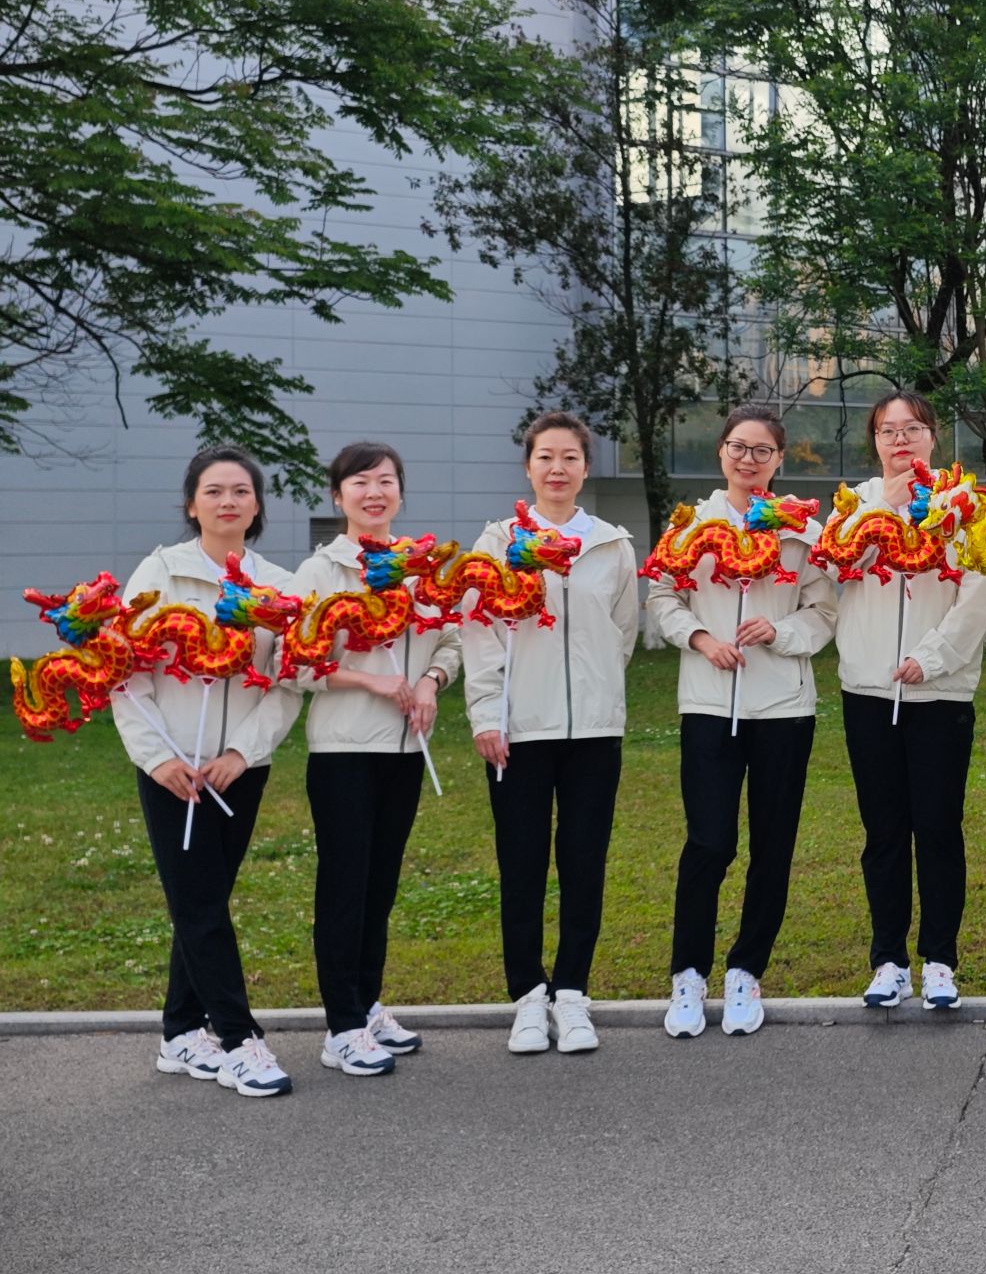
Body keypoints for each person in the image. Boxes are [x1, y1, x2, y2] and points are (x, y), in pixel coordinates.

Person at [114, 445, 299, 1097]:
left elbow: (286, 683)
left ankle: (179, 1032)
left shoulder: (277, 587)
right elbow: (122, 672)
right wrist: (158, 757)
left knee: (206, 902)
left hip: (237, 770)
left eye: (241, 491)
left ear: (257, 506)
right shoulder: (159, 573)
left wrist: (241, 753)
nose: (228, 501)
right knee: (199, 905)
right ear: (191, 504)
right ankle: (240, 1039)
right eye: (214, 491)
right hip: (173, 771)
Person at [650, 403, 837, 1038]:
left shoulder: (801, 533)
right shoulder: (690, 526)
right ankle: (687, 974)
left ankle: (745, 971)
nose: (748, 459)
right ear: (721, 452)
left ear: (779, 459)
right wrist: (701, 637)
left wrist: (779, 632)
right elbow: (663, 596)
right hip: (709, 704)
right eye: (738, 447)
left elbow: (823, 613)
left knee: (772, 846)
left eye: (762, 450)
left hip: (783, 708)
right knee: (708, 842)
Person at [464, 412, 640, 1056]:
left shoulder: (611, 546)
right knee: (522, 864)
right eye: (545, 457)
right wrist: (488, 713)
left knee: (584, 861)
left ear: (586, 468)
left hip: (593, 729)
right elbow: (479, 631)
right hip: (519, 730)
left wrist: (598, 691)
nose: (557, 468)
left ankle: (571, 991)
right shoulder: (498, 543)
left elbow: (622, 631)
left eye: (569, 457)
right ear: (528, 467)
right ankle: (528, 997)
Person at [286, 441, 461, 1075]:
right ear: (339, 496)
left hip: (405, 748)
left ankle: (366, 1003)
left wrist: (430, 683)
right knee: (345, 886)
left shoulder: (420, 568)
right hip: (344, 751)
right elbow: (297, 665)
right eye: (359, 482)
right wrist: (371, 681)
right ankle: (341, 1027)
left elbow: (450, 639)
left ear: (400, 493)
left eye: (385, 481)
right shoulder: (321, 571)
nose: (374, 492)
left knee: (380, 885)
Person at [833, 393, 986, 1012]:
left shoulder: (965, 507)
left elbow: (976, 594)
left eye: (912, 429)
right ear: (875, 441)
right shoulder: (853, 507)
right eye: (888, 431)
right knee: (883, 833)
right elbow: (834, 571)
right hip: (869, 690)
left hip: (939, 693)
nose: (900, 440)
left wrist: (932, 657)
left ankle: (941, 959)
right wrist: (883, 508)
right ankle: (889, 960)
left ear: (933, 436)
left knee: (938, 828)